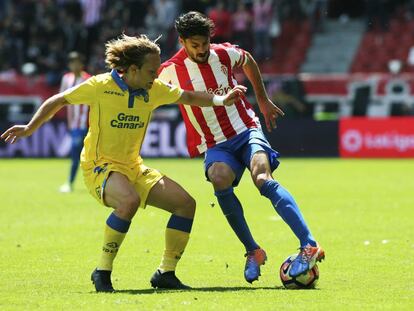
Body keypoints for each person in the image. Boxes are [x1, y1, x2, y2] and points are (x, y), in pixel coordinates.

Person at [1, 34, 246, 292]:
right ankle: (102, 271)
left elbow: (188, 97)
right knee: (128, 202)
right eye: (152, 70)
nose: (156, 75)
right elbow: (59, 99)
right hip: (100, 167)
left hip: (134, 167)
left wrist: (221, 99)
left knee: (185, 205)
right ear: (132, 70)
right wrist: (30, 127)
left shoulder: (153, 89)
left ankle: (165, 273)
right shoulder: (100, 85)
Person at [158, 11, 325, 284]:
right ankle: (253, 251)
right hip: (214, 143)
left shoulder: (223, 54)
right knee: (219, 178)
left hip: (246, 129)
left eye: (204, 44)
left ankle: (308, 245)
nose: (201, 51)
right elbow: (148, 92)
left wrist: (262, 98)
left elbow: (248, 60)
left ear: (210, 39)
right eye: (194, 45)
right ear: (182, 42)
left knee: (262, 179)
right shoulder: (169, 71)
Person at [59, 51, 90, 193]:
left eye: (77, 62)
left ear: (82, 64)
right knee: (77, 155)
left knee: (79, 154)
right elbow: (60, 98)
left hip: (86, 124)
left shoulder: (88, 79)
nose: (75, 65)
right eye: (72, 62)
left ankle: (70, 183)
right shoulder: (66, 79)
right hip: (73, 124)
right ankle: (70, 183)